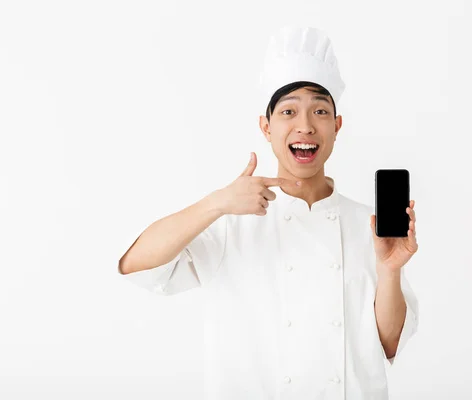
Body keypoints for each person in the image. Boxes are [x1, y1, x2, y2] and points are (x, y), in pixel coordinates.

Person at [117, 25, 419, 400]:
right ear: (266, 126)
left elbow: (388, 345)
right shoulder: (230, 220)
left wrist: (390, 269)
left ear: (337, 126)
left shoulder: (369, 226)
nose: (305, 126)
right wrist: (217, 203)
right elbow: (137, 265)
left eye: (320, 111)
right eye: (288, 111)